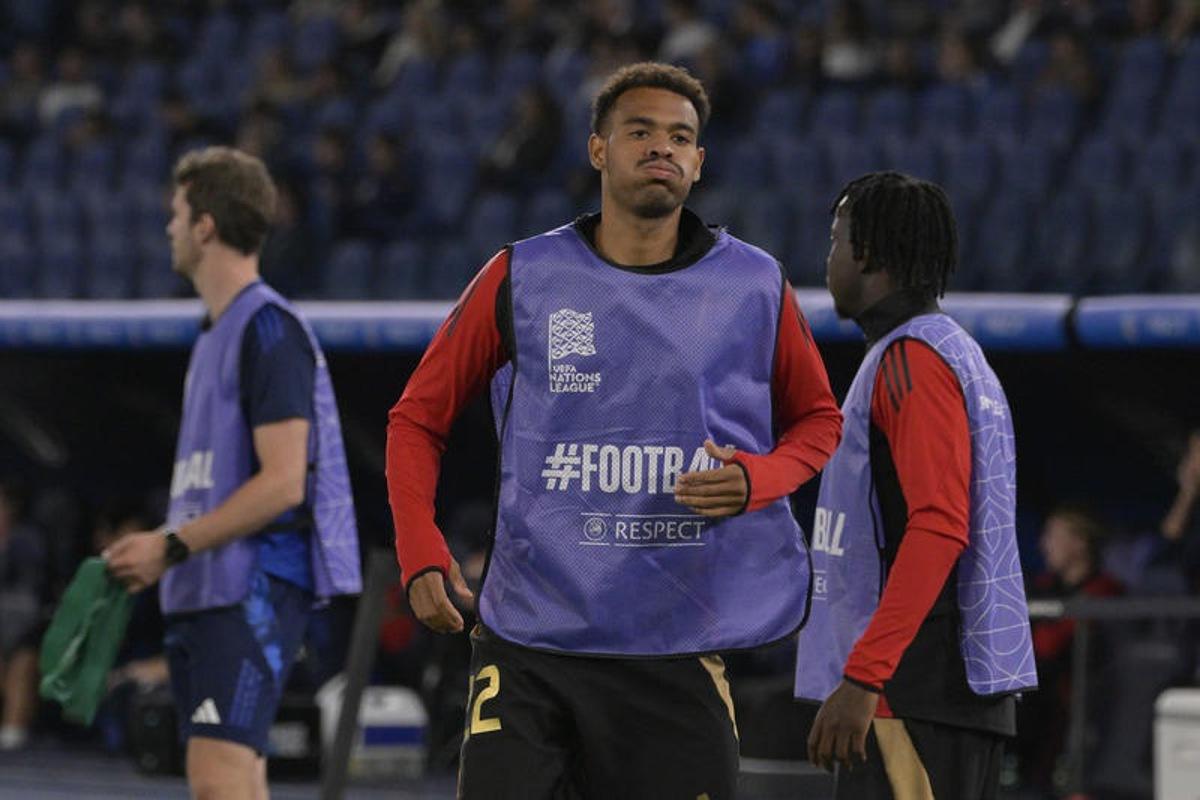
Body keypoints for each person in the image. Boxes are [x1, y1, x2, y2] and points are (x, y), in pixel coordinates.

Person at [386, 61, 843, 799]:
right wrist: (418, 549)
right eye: (640, 131)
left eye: (680, 137)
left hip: (677, 646)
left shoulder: (754, 284)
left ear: (699, 162)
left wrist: (759, 479)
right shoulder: (520, 275)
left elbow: (821, 420)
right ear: (598, 149)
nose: (661, 147)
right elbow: (416, 418)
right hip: (531, 642)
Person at [105, 146, 361, 800]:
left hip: (251, 585)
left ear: (206, 226)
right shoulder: (214, 335)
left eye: (177, 212)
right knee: (233, 783)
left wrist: (167, 545)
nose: (169, 227)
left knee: (219, 783)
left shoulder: (268, 330)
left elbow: (282, 484)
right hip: (210, 584)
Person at [798, 171, 1038, 798]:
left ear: (868, 253)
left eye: (835, 242)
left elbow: (937, 526)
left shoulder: (913, 360)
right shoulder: (950, 351)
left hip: (913, 687)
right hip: (934, 686)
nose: (829, 262)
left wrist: (864, 678)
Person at [1017, 505, 1122, 792]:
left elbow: (1048, 646)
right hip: (1037, 714)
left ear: (1080, 542)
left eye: (1053, 535)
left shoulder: (1107, 591)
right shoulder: (1041, 587)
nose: (1044, 545)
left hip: (1084, 715)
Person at [0, 482, 47, 750]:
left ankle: (13, 730)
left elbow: (31, 602)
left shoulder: (27, 542)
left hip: (22, 631)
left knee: (23, 660)